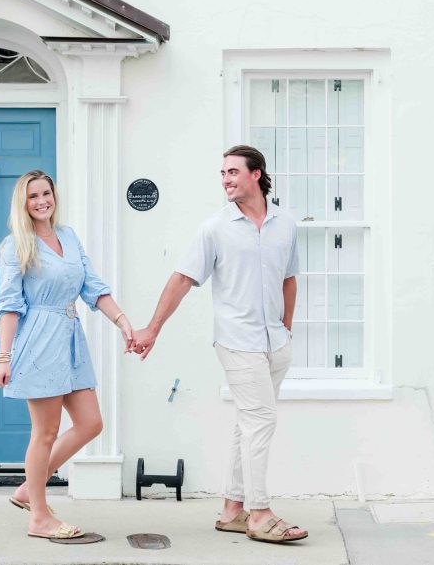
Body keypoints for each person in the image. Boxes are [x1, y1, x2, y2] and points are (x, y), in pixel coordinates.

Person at [131, 145, 308, 544]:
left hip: (275, 342)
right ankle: (260, 514)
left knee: (247, 426)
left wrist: (287, 329)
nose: (226, 179)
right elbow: (182, 279)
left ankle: (232, 509)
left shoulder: (286, 224)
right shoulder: (214, 228)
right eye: (222, 173)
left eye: (232, 172)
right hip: (237, 340)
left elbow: (290, 278)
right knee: (261, 422)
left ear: (257, 174)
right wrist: (153, 328)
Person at [0, 170, 133, 542]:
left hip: (70, 337)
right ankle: (39, 516)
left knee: (91, 423)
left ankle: (28, 489)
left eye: (46, 193)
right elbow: (9, 306)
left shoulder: (68, 237)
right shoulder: (15, 246)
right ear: (22, 204)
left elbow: (93, 286)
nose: (42, 201)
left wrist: (122, 321)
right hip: (38, 339)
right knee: (46, 432)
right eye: (33, 196)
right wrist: (3, 358)